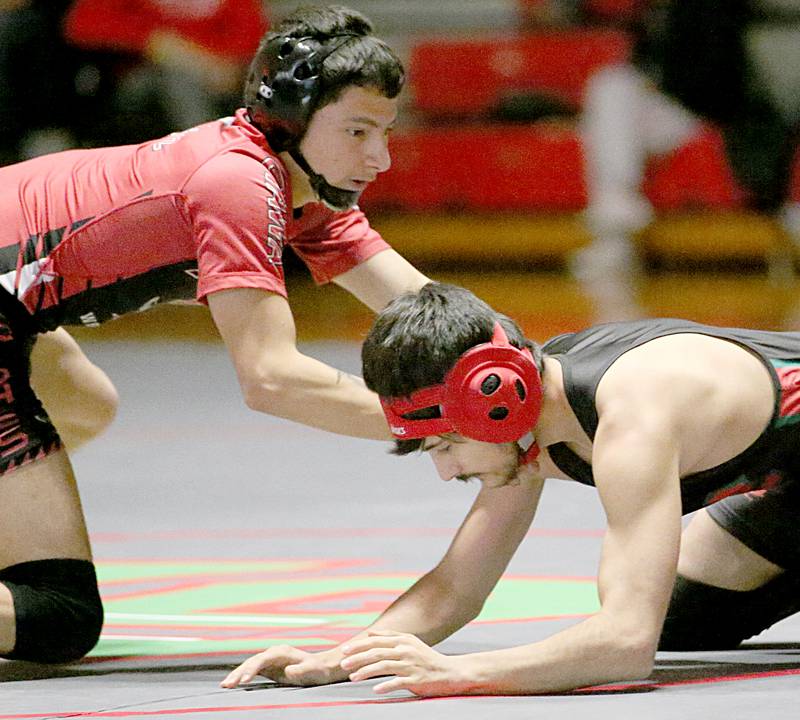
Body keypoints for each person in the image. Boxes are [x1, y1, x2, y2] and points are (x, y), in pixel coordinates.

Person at [0, 4, 430, 664]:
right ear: (290, 120)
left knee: (84, 402)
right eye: (358, 131)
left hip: (11, 310)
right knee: (57, 616)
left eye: (385, 130)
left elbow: (428, 310)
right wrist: (437, 420)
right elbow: (272, 378)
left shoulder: (300, 185)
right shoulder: (235, 183)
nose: (382, 156)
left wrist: (532, 370)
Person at [222, 281, 800, 695]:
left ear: (493, 399)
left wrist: (459, 675)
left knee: (632, 623)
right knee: (684, 620)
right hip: (787, 487)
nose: (446, 472)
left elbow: (626, 642)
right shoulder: (524, 422)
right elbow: (456, 588)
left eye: (445, 446)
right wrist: (338, 660)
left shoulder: (633, 415)